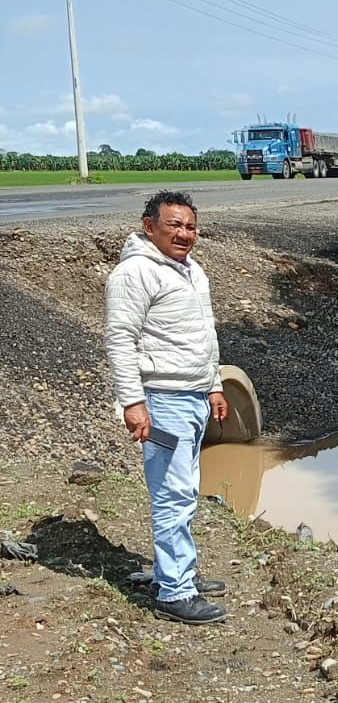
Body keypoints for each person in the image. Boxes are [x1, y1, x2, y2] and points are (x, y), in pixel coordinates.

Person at [104, 190, 228, 626]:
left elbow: (205, 335)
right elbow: (120, 339)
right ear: (149, 226)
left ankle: (177, 573)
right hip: (163, 401)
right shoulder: (135, 272)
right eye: (174, 225)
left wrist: (214, 385)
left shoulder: (192, 271)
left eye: (191, 226)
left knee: (185, 490)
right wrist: (133, 403)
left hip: (193, 397)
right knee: (172, 495)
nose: (184, 234)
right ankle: (175, 593)